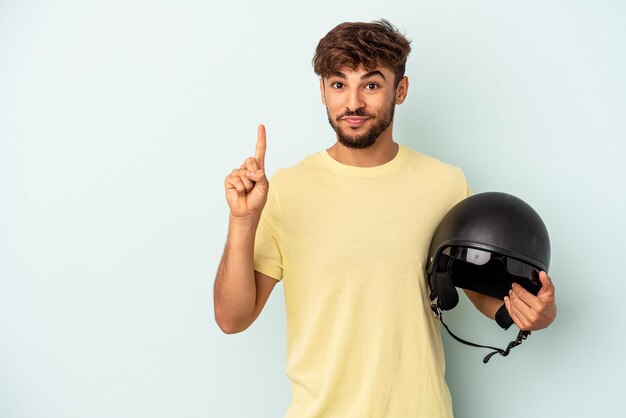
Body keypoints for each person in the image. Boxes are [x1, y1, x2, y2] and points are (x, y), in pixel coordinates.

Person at [214, 19, 556, 418]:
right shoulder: (285, 191)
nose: (353, 102)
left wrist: (530, 314)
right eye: (339, 84)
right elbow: (231, 319)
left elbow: (476, 287)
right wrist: (242, 221)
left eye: (371, 85)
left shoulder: (444, 183)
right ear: (323, 92)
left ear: (401, 89)